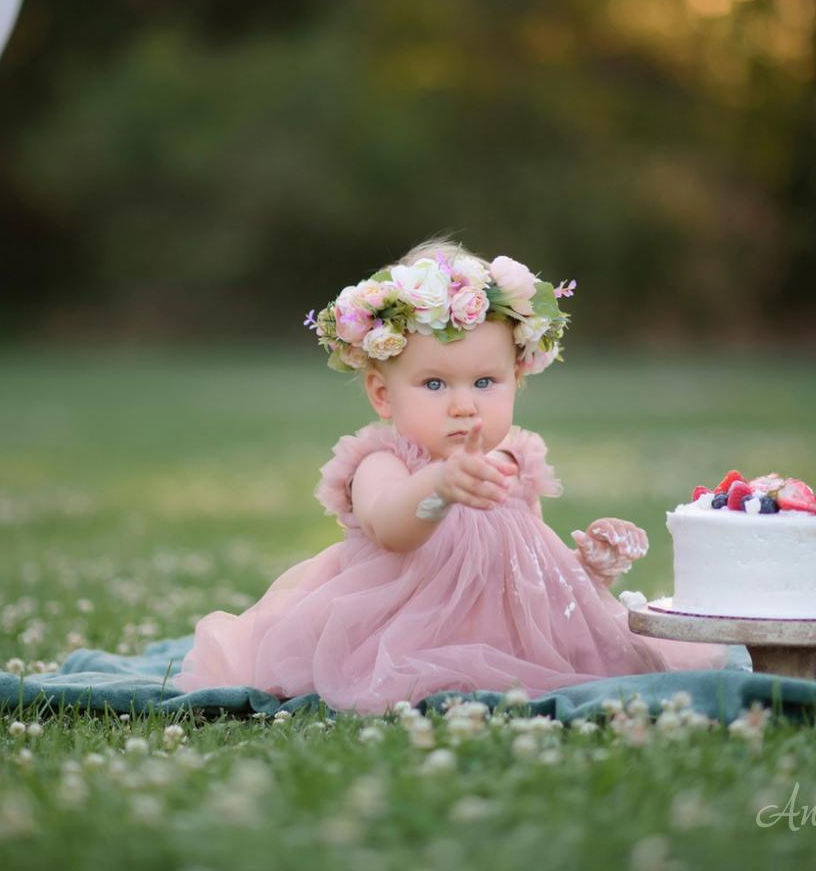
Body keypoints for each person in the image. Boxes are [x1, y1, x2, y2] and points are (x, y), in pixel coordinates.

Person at [169, 238, 727, 712]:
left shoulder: (511, 461)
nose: (464, 405)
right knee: (428, 679)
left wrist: (587, 570)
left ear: (517, 380)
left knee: (604, 658)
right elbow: (391, 526)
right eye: (435, 385)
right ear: (383, 394)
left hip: (516, 636)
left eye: (485, 383)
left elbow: (531, 560)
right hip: (402, 639)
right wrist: (436, 489)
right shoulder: (381, 463)